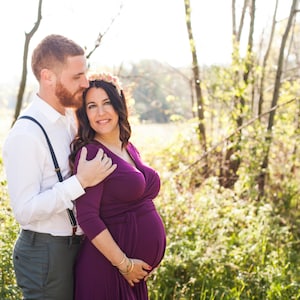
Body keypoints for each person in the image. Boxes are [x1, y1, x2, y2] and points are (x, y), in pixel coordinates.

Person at [2, 35, 116, 300]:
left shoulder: (69, 117)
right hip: (46, 252)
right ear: (48, 77)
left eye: (85, 74)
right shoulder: (25, 135)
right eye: (77, 77)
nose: (85, 83)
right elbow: (24, 211)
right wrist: (80, 182)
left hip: (77, 246)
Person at [69, 72, 166, 299]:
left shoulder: (128, 146)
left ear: (118, 105)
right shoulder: (91, 153)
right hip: (108, 271)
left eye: (107, 103)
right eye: (92, 106)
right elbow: (87, 217)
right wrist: (124, 264)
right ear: (85, 114)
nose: (101, 112)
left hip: (130, 274)